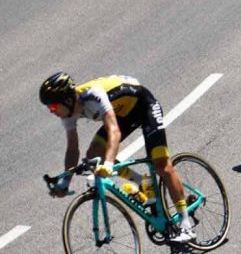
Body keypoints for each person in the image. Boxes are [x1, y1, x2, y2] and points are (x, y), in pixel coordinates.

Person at [39, 73, 196, 243]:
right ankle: (142, 182)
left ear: (68, 100)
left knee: (161, 165)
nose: (51, 111)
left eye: (53, 107)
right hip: (122, 114)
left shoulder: (93, 95)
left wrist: (108, 164)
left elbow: (114, 131)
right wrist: (65, 182)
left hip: (144, 106)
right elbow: (72, 149)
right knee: (93, 156)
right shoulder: (67, 114)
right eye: (49, 108)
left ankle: (186, 224)